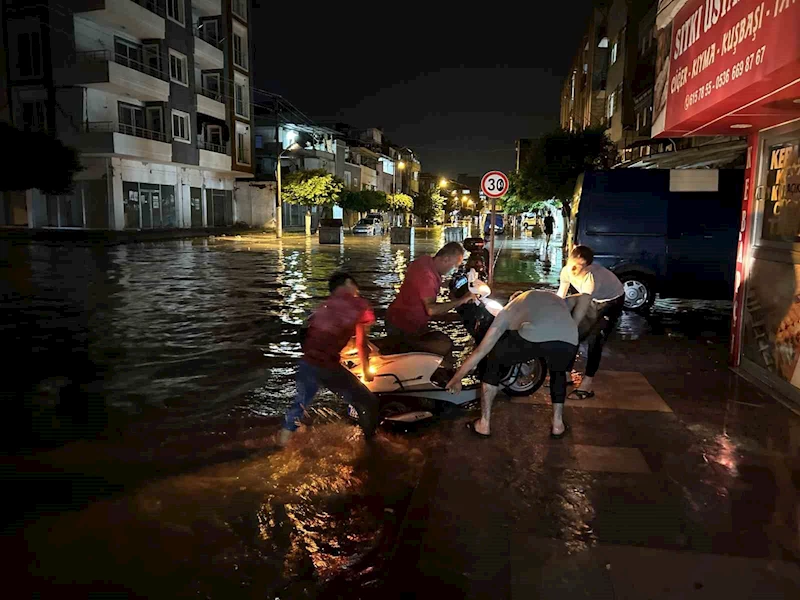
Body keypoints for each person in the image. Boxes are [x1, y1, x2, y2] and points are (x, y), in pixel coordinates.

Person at [446, 290, 591, 439]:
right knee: (558, 374)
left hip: (535, 334)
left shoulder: (509, 309)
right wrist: (574, 323)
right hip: (569, 338)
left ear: (512, 299)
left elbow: (481, 351)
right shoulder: (555, 298)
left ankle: (484, 424)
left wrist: (456, 379)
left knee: (493, 360)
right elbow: (585, 297)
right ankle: (558, 425)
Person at [280, 272, 378, 445]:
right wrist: (366, 372)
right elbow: (362, 344)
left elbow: (308, 335)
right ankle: (371, 444)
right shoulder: (358, 304)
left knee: (299, 407)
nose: (357, 291)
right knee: (367, 401)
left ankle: (281, 445)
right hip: (327, 367)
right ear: (349, 283)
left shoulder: (323, 307)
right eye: (355, 287)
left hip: (306, 364)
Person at [384, 242, 475, 358]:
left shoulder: (425, 261)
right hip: (403, 326)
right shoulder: (427, 276)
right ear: (446, 259)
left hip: (401, 319)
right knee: (443, 346)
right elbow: (431, 309)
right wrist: (463, 299)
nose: (454, 269)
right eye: (455, 265)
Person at [557, 245, 624, 400]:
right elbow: (561, 295)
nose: (574, 269)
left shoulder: (590, 278)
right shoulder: (566, 270)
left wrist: (571, 327)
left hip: (611, 301)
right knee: (577, 335)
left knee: (595, 339)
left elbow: (582, 309)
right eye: (573, 263)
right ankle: (566, 374)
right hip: (593, 299)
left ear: (587, 266)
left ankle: (587, 384)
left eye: (580, 266)